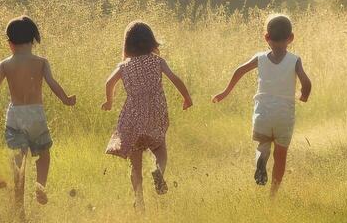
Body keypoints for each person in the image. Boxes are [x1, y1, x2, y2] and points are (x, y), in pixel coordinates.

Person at [212, 13, 312, 196]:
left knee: (263, 145)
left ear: (266, 37)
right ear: (291, 38)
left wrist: (225, 92)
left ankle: (261, 159)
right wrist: (303, 96)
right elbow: (306, 82)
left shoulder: (260, 58)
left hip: (263, 113)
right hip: (284, 115)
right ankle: (273, 195)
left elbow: (239, 71)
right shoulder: (295, 60)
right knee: (280, 156)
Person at [0, 15, 77, 209]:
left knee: (19, 158)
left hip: (15, 114)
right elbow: (52, 83)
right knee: (43, 153)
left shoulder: (5, 64)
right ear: (34, 40)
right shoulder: (41, 62)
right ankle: (40, 186)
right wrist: (66, 99)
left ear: (9, 42)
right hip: (35, 114)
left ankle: (18, 198)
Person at [103, 21, 193, 209]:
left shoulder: (123, 67)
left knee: (135, 164)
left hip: (133, 116)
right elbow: (175, 78)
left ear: (127, 44)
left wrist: (109, 102)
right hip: (155, 111)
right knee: (160, 149)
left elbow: (109, 83)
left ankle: (139, 201)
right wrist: (186, 97)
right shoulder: (157, 61)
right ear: (152, 42)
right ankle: (157, 170)